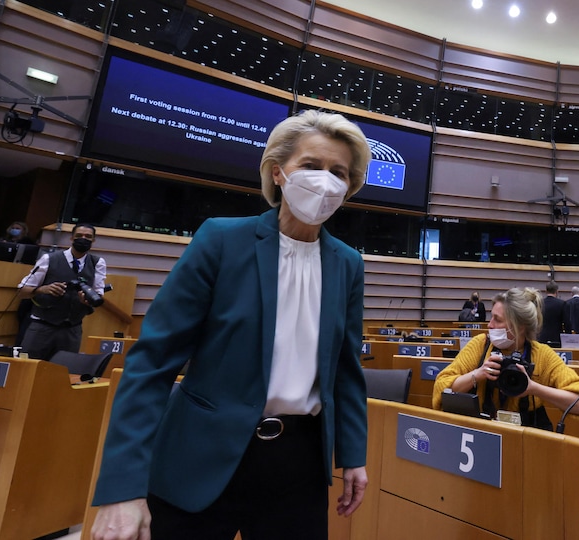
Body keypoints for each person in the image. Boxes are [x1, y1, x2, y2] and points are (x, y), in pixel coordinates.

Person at [90, 111, 371, 540]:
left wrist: (353, 454)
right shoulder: (221, 239)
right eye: (311, 166)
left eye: (339, 172)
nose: (326, 180)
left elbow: (346, 370)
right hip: (199, 458)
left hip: (299, 468)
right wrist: (121, 488)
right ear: (278, 173)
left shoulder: (348, 263)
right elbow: (152, 364)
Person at [432, 287, 579, 429]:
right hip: (481, 434)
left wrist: (534, 388)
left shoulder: (542, 355)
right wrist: (477, 374)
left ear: (520, 327)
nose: (490, 325)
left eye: (497, 320)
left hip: (526, 441)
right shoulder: (480, 345)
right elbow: (441, 388)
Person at [16, 224, 106, 360]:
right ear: (71, 238)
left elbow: (98, 295)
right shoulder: (49, 259)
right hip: (41, 327)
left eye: (88, 237)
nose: (83, 239)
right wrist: (43, 289)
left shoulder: (97, 263)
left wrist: (86, 300)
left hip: (72, 329)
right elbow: (21, 291)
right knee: (28, 370)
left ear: (93, 240)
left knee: (63, 373)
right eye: (79, 236)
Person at [537, 280, 566, 347]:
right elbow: (567, 323)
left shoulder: (540, 303)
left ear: (546, 291)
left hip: (542, 337)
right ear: (557, 291)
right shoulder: (562, 304)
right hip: (557, 338)